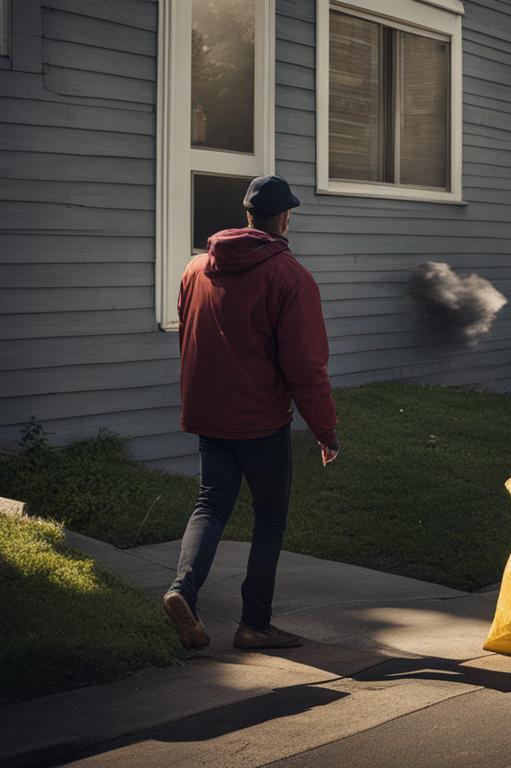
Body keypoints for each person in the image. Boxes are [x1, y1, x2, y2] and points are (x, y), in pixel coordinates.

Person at [162, 175, 340, 651]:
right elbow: (305, 366)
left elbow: (187, 334)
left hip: (209, 416)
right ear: (285, 219)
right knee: (269, 517)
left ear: (247, 215)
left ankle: (183, 591)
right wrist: (325, 429)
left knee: (211, 504)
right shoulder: (290, 277)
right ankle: (254, 625)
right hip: (261, 422)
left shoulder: (196, 268)